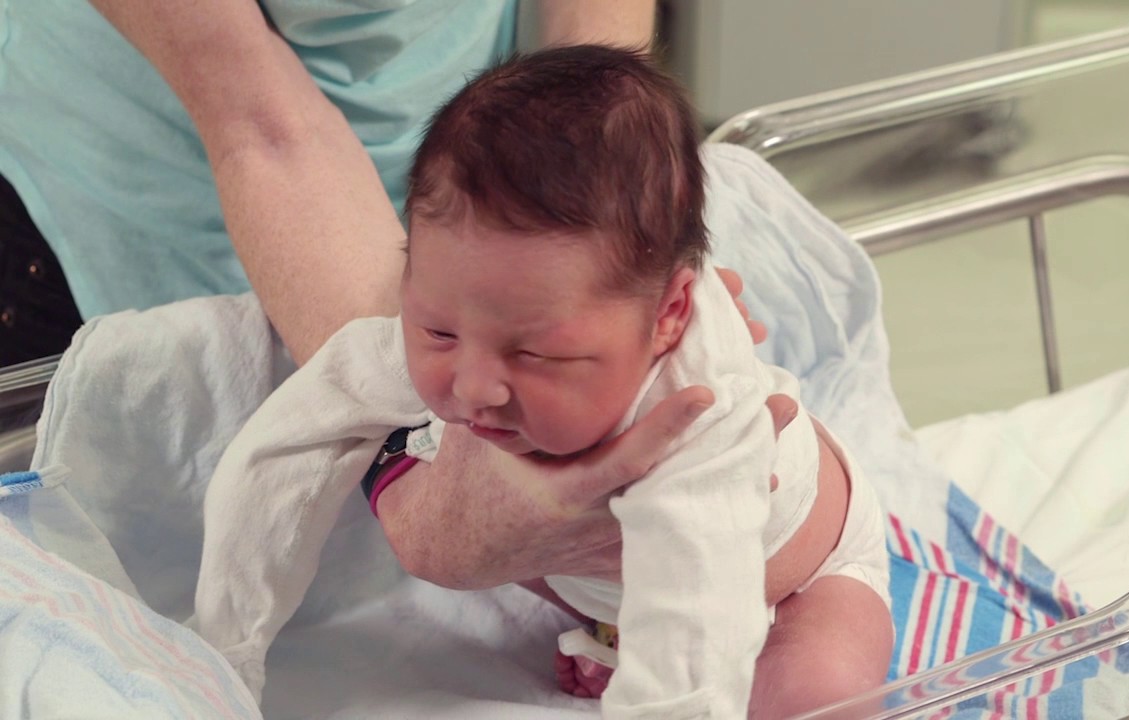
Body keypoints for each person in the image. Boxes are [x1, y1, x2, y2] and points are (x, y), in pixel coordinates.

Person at [0, 1, 788, 602]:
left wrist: (612, 225)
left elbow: (599, 86)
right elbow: (264, 124)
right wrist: (401, 462)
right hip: (177, 158)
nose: (476, 387)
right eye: (440, 334)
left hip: (492, 150)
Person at [193, 45, 892, 718]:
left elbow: (698, 631)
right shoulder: (472, 317)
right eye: (438, 332)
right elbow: (282, 450)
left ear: (669, 316)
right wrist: (225, 649)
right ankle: (616, 631)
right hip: (614, 578)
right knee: (485, 500)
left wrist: (657, 685)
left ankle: (630, 637)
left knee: (813, 696)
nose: (474, 388)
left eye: (533, 354)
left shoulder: (696, 414)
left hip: (802, 576)